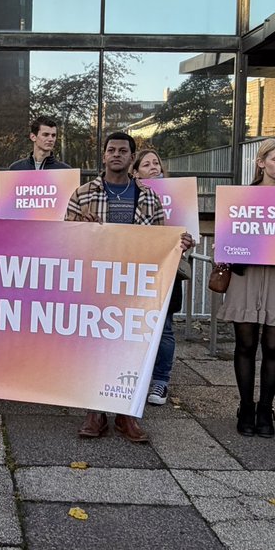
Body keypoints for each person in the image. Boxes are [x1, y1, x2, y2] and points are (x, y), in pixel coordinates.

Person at [65, 132, 194, 443]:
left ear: (132, 158)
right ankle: (95, 412)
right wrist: (82, 229)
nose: (116, 155)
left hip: (136, 284)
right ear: (104, 155)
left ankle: (126, 414)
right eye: (111, 150)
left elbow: (162, 242)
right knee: (95, 345)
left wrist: (181, 244)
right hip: (97, 281)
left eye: (123, 150)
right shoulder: (82, 194)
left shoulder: (149, 197)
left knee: (132, 348)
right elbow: (65, 237)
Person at [215, 138, 275, 439]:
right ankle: (245, 406)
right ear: (261, 162)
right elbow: (230, 231)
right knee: (245, 344)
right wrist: (222, 244)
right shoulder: (241, 196)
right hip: (247, 275)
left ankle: (266, 408)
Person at [131, 147, 191, 407]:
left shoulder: (179, 197)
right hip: (135, 270)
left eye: (157, 163)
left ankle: (160, 380)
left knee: (165, 328)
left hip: (166, 271)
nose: (154, 167)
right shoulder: (129, 197)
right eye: (147, 164)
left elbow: (189, 234)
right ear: (135, 172)